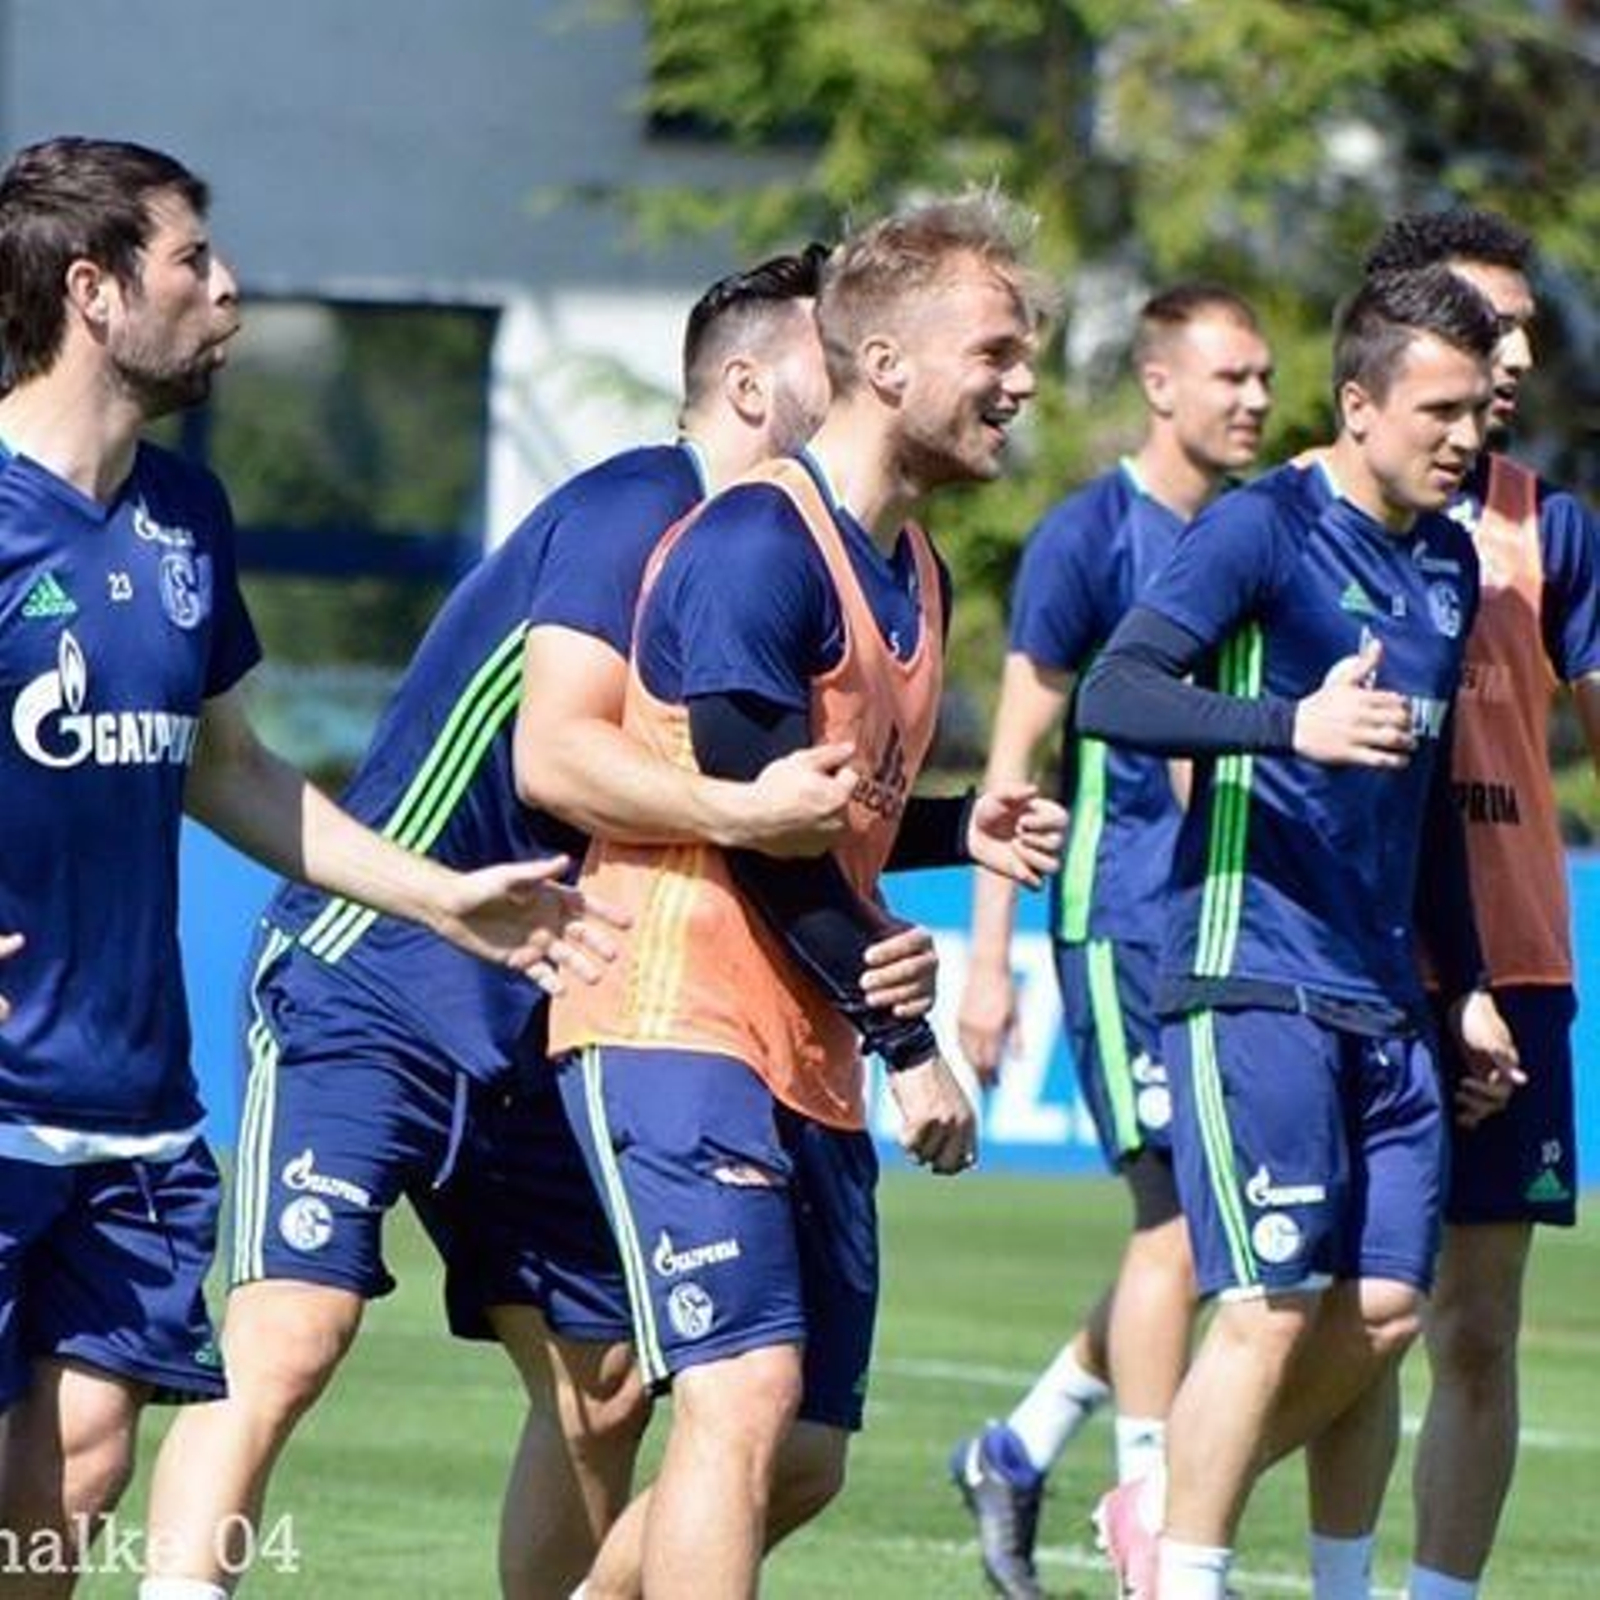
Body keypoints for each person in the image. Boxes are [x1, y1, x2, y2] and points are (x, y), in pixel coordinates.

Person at [141, 247, 940, 1600]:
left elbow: (776, 801)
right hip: (378, 968)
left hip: (552, 999)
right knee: (293, 1333)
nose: (870, 368)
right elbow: (553, 763)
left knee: (608, 1385)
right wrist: (759, 826)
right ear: (749, 384)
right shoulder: (642, 511)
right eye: (834, 349)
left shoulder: (785, 564)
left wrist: (942, 823)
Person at [0, 135, 615, 1597]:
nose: (229, 290)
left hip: (134, 1100)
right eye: (195, 260)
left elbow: (231, 769)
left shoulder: (184, 518)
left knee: (77, 1475)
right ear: (93, 291)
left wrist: (439, 893)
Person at [549, 191, 1065, 1600]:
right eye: (1001, 350)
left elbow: (824, 817)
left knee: (808, 1453)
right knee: (742, 1394)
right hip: (676, 1018)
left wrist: (959, 826)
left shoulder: (918, 568)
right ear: (885, 364)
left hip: (802, 1039)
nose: (1025, 384)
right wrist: (912, 1043)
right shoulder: (755, 547)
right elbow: (749, 822)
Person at [1076, 265, 1520, 1600]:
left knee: (1383, 1314)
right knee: (1269, 1308)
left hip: (1388, 997)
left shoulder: (1449, 560)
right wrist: (1288, 723)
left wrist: (1470, 988)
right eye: (1440, 409)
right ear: (1359, 405)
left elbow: (1431, 798)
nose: (1467, 437)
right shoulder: (1260, 529)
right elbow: (1116, 691)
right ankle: (1185, 1571)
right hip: (1250, 974)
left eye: (1480, 414)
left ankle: (1183, 1516)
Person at [949, 284, 1273, 1599]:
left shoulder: (1268, 531)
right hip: (1117, 922)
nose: (1255, 397)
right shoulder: (1087, 537)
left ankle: (1018, 1449)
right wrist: (985, 960)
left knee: (1209, 1235)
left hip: (1232, 926)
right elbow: (1012, 768)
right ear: (1160, 385)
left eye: (1263, 378)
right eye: (1231, 376)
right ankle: (1149, 1511)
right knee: (1181, 1233)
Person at [1363, 208, 1600, 1600]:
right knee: (1345, 1318)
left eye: (1522, 328)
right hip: (1354, 965)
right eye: (1482, 324)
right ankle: (1180, 1518)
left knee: (1478, 1329)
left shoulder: (1550, 527)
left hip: (1517, 955)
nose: (1513, 353)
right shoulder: (1300, 514)